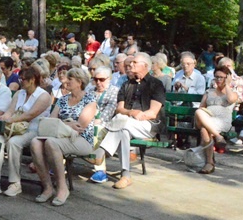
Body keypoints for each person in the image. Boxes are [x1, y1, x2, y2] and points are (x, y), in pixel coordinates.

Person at [89, 52, 165, 189]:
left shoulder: (156, 84)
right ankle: (126, 175)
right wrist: (131, 112)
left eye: (135, 63)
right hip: (126, 123)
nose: (131, 64)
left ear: (145, 65)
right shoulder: (126, 85)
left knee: (122, 122)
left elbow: (153, 113)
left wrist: (138, 115)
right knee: (123, 129)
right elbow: (120, 109)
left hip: (149, 126)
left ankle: (101, 151)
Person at [0, 66, 52, 197]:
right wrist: (4, 117)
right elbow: (9, 111)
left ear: (32, 80)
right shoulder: (19, 93)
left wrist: (10, 120)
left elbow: (29, 115)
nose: (20, 81)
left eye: (23, 79)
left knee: (13, 143)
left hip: (33, 131)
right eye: (20, 78)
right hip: (13, 129)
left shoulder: (44, 96)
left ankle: (15, 183)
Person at [30, 67, 96, 206]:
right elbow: (52, 120)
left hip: (81, 140)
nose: (65, 81)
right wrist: (68, 123)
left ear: (79, 82)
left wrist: (65, 124)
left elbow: (80, 126)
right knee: (35, 142)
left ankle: (62, 188)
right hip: (60, 136)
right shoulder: (62, 99)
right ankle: (47, 187)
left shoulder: (90, 99)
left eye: (70, 79)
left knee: (51, 143)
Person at [194, 65, 239, 174]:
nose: (218, 80)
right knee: (198, 112)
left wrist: (227, 84)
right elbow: (201, 107)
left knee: (204, 130)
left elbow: (231, 99)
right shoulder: (209, 91)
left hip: (222, 120)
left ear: (227, 78)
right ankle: (218, 137)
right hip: (207, 117)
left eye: (222, 77)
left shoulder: (233, 92)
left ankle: (209, 163)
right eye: (216, 77)